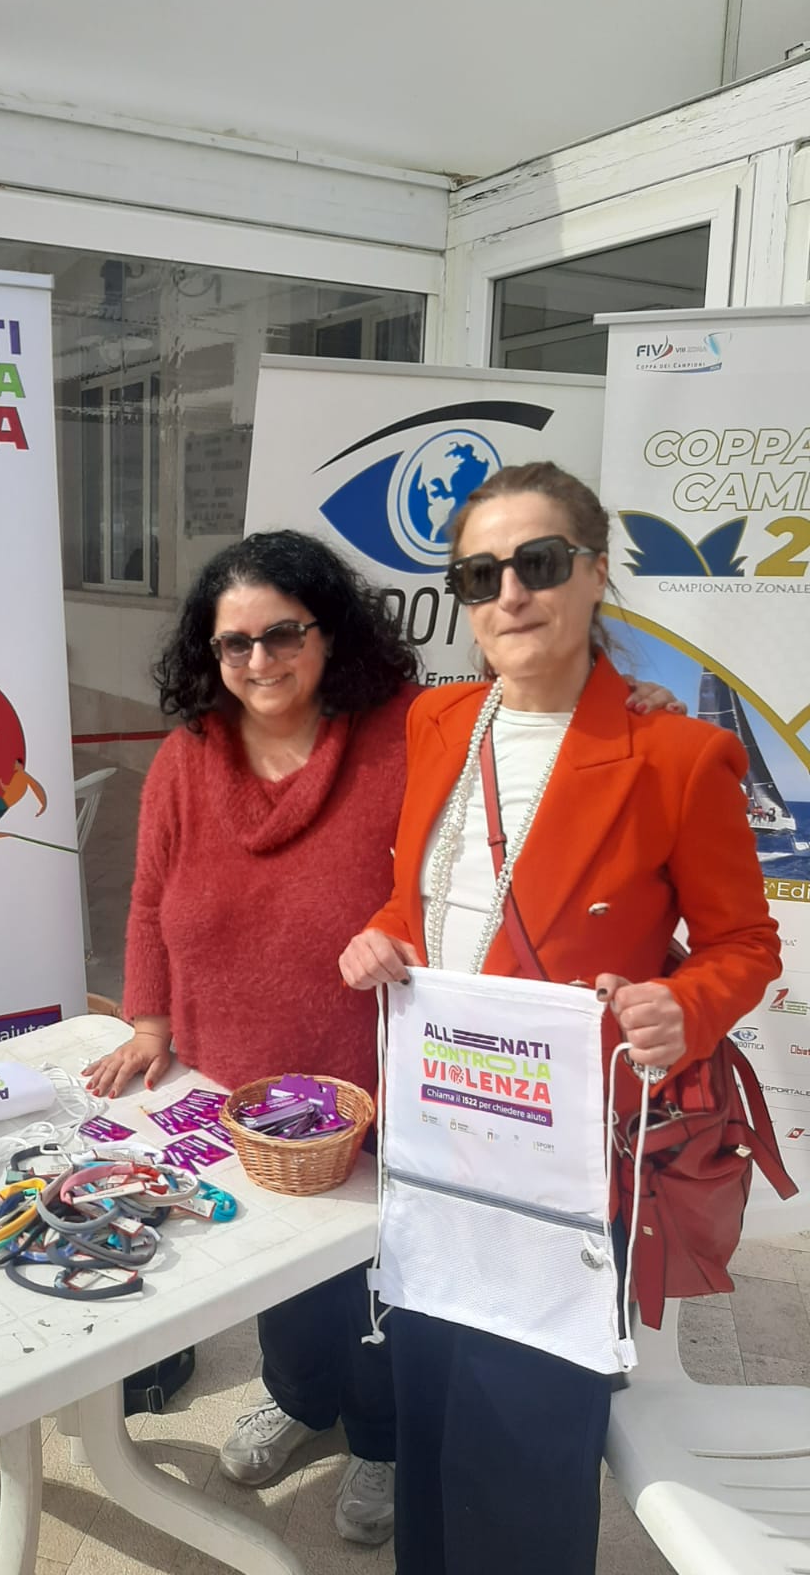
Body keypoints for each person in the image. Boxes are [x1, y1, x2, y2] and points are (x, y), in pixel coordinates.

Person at [82, 528, 680, 1547]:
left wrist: (624, 704)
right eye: (236, 643)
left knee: (376, 1269)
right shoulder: (187, 757)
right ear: (209, 653)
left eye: (284, 634)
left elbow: (527, 719)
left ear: (331, 631)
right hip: (238, 1075)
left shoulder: (411, 731)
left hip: (380, 1070)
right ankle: (297, 1394)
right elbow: (146, 899)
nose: (260, 660)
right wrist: (148, 1018)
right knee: (275, 1263)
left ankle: (380, 1436)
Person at [339, 461, 781, 1575]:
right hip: (435, 1138)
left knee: (522, 1440)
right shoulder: (438, 721)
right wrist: (381, 936)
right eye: (478, 575)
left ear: (593, 574)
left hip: (566, 1159)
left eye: (537, 564)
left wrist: (681, 1007)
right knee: (432, 1408)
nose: (509, 594)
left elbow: (744, 944)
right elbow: (421, 896)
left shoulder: (678, 754)